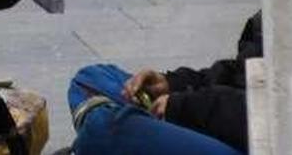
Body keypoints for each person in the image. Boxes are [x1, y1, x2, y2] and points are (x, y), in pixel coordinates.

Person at [66, 12, 262, 155]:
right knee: (91, 78)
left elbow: (261, 112)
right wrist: (171, 83)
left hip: (252, 141)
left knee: (104, 126)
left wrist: (182, 106)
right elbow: (239, 73)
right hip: (215, 119)